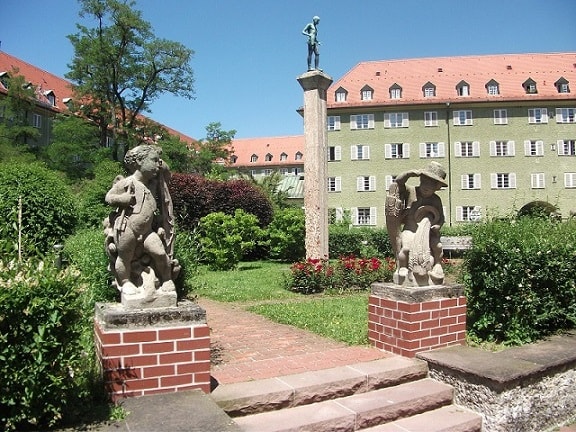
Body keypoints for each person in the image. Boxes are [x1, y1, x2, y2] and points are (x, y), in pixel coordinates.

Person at [104, 144, 176, 295]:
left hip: (148, 231)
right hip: (127, 227)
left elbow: (168, 175)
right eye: (154, 160)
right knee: (124, 257)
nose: (157, 164)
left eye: (158, 161)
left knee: (160, 253)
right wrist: (122, 198)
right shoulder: (127, 182)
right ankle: (125, 282)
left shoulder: (153, 184)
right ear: (139, 161)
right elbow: (109, 197)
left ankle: (167, 279)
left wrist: (162, 163)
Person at [385, 162, 447, 286]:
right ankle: (402, 267)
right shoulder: (411, 191)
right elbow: (398, 182)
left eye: (430, 187)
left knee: (438, 246)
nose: (426, 188)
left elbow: (441, 218)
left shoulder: (436, 199)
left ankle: (438, 265)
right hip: (410, 230)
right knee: (406, 249)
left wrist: (437, 226)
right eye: (424, 183)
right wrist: (409, 174)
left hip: (427, 233)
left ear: (436, 188)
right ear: (421, 180)